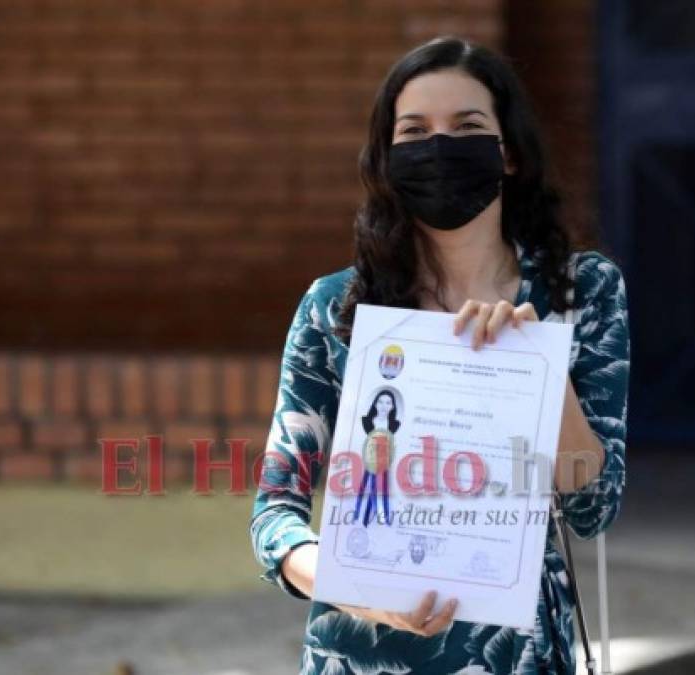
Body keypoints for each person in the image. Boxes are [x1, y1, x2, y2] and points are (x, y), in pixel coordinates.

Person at [249, 35, 630, 675]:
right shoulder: (335, 308)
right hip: (362, 656)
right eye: (415, 131)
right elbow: (275, 514)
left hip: (520, 654)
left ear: (507, 152)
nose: (439, 148)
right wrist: (358, 587)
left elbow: (593, 508)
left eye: (467, 127)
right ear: (388, 157)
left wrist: (540, 371)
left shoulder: (580, 291)